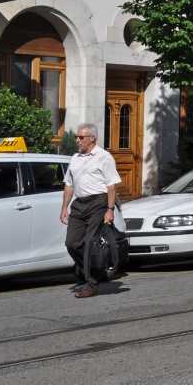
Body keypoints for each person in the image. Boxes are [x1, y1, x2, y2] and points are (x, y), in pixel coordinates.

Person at [60, 123, 121, 299]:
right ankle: (95, 271)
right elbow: (69, 184)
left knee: (90, 244)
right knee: (72, 243)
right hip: (79, 204)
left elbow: (111, 185)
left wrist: (109, 209)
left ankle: (91, 284)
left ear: (92, 138)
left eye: (81, 137)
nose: (77, 140)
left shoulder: (104, 157)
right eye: (76, 137)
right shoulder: (75, 158)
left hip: (98, 202)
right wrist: (64, 207)